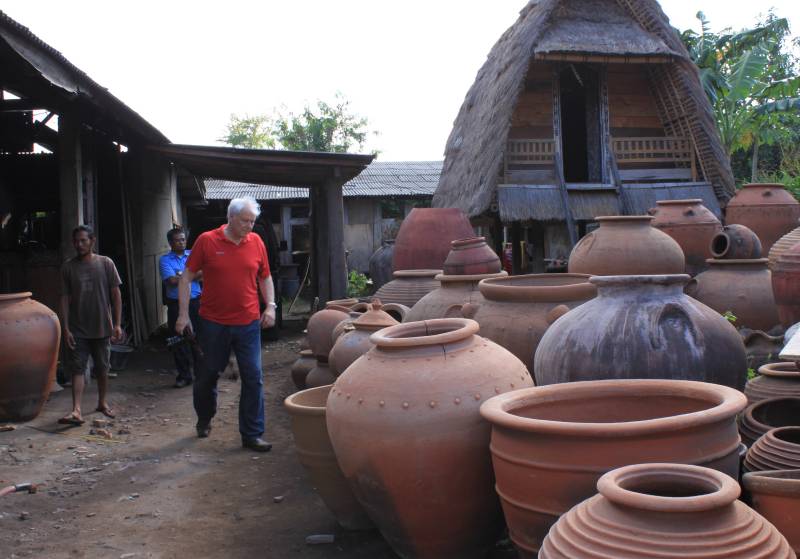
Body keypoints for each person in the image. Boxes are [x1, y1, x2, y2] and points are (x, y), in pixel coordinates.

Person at [176, 197, 276, 452]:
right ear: (230, 218)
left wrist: (271, 306)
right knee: (208, 375)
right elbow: (186, 278)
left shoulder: (256, 242)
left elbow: (265, 277)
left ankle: (252, 434)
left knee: (253, 376)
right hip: (213, 324)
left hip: (248, 322)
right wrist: (183, 315)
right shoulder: (207, 241)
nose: (250, 227)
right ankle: (205, 417)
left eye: (253, 222)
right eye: (245, 221)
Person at [58, 225, 123, 426]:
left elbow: (116, 295)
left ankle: (102, 403)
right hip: (78, 328)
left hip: (102, 327)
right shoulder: (68, 267)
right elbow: (64, 298)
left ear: (92, 241)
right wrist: (66, 327)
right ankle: (76, 410)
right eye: (76, 241)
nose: (79, 244)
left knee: (103, 368)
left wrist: (118, 324)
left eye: (83, 240)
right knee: (77, 368)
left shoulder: (105, 263)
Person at [159, 227, 202, 388]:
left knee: (198, 338)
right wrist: (191, 275)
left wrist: (181, 275)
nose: (181, 242)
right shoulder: (164, 260)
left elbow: (204, 273)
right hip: (175, 305)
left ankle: (201, 374)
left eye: (183, 239)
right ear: (170, 243)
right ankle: (184, 376)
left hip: (196, 302)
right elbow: (171, 281)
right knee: (178, 340)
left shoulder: (193, 255)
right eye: (178, 240)